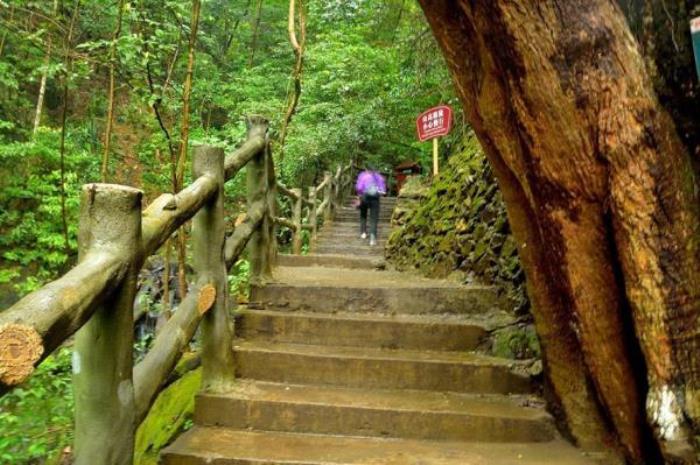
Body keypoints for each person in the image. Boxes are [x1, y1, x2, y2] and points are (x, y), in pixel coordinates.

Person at [355, 167, 386, 246]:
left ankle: (363, 232)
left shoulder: (362, 175)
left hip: (364, 197)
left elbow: (359, 188)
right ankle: (372, 238)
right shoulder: (379, 177)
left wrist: (359, 196)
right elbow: (383, 191)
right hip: (375, 198)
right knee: (374, 218)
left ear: (366, 169)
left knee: (363, 214)